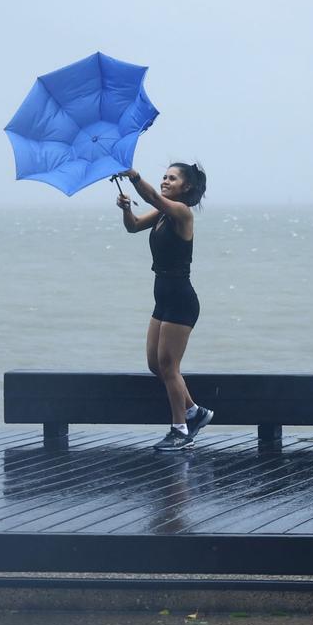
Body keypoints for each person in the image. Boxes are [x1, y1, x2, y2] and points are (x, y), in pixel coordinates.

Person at [116, 162, 212, 451]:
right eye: (164, 176)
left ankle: (180, 430)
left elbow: (154, 198)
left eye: (172, 178)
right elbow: (133, 227)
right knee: (155, 364)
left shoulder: (181, 213)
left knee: (170, 366)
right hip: (163, 297)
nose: (165, 180)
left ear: (187, 187)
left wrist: (134, 177)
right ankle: (196, 412)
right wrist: (125, 209)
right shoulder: (162, 212)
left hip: (181, 298)